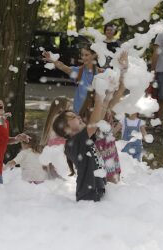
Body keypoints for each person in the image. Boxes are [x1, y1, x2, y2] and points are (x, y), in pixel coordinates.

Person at [52, 52, 128, 201]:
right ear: (66, 130)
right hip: (88, 195)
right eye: (73, 118)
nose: (78, 117)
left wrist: (123, 71)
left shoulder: (79, 137)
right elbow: (93, 125)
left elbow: (105, 106)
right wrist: (100, 96)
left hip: (98, 187)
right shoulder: (74, 142)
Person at [42, 45, 103, 114]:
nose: (83, 57)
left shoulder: (102, 73)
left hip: (95, 115)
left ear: (94, 56)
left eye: (86, 55)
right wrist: (53, 60)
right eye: (82, 55)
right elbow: (63, 67)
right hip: (78, 114)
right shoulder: (78, 71)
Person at [40, 96, 75, 176]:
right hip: (58, 147)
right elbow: (65, 133)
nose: (70, 110)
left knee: (53, 170)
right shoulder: (59, 118)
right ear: (62, 108)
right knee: (57, 170)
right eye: (68, 107)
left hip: (53, 146)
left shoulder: (54, 117)